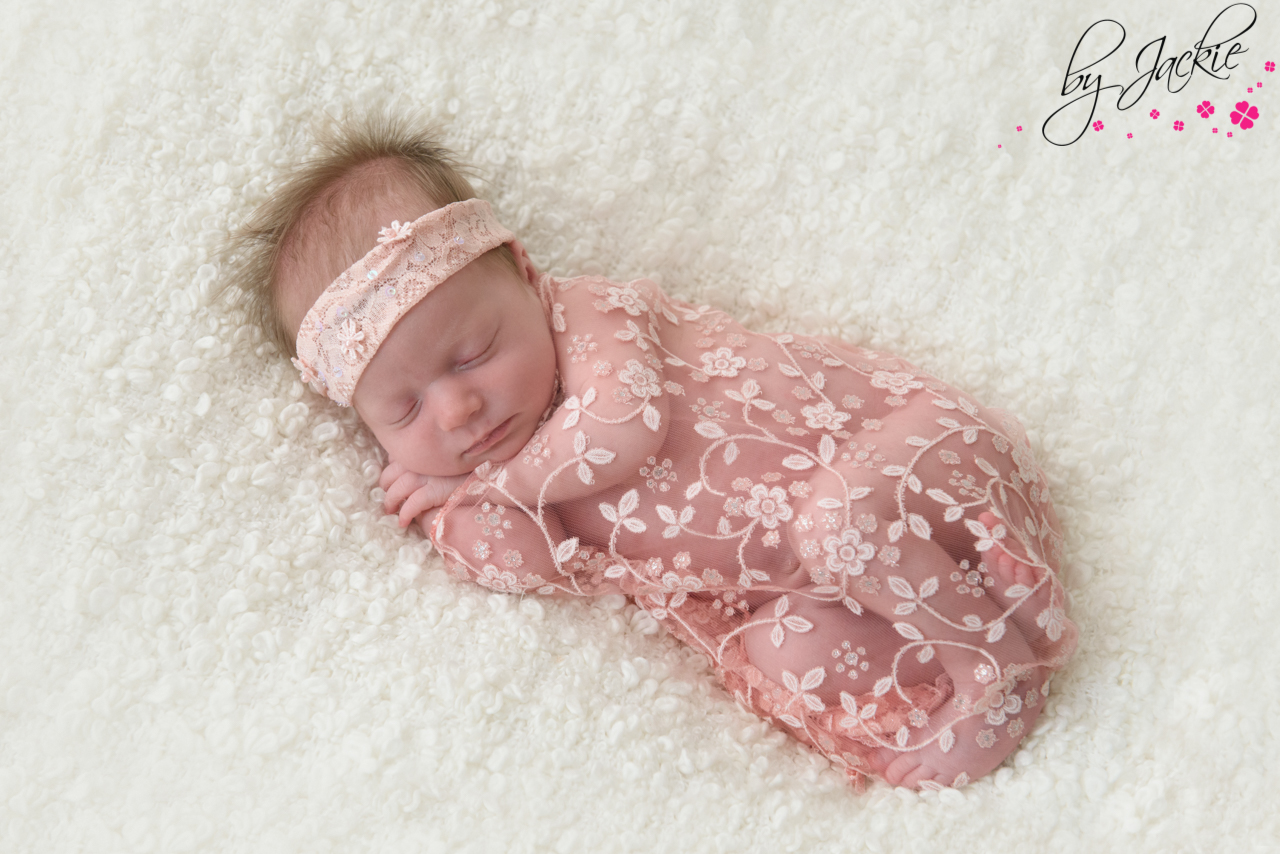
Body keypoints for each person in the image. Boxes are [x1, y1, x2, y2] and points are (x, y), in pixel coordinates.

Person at [226, 115, 1077, 791]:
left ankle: (998, 674)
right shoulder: (495, 489)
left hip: (919, 464)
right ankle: (972, 626)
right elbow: (539, 565)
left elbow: (620, 431)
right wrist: (457, 514)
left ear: (524, 273)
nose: (458, 410)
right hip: (837, 582)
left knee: (838, 518)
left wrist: (497, 480)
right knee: (783, 652)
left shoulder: (594, 317)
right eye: (404, 408)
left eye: (473, 352)